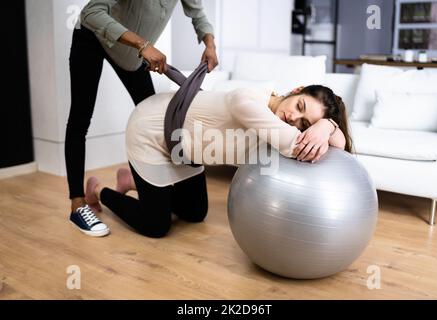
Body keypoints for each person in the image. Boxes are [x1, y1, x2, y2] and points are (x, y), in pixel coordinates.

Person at [84, 84, 353, 238]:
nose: (294, 118)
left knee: (195, 214)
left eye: (304, 123)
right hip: (152, 132)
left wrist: (327, 125)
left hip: (185, 150)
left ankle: (135, 180)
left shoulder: (283, 121)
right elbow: (295, 146)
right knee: (156, 226)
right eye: (300, 106)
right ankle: (99, 190)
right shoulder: (246, 101)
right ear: (296, 90)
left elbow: (339, 149)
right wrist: (323, 127)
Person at [66, 0, 219, 237]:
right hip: (93, 38)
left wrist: (209, 43)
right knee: (80, 119)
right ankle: (79, 202)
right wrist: (143, 45)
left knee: (156, 123)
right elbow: (91, 12)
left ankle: (136, 183)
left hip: (130, 55)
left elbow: (197, 12)